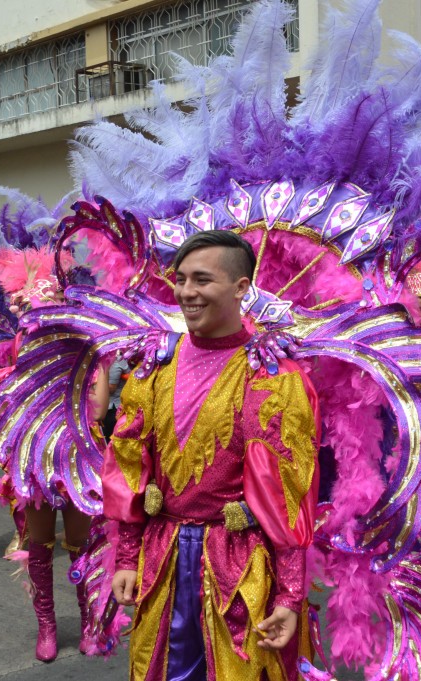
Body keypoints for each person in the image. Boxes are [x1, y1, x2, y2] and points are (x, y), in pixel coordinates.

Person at [105, 230, 320, 679]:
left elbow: (287, 496)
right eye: (181, 279)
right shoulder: (154, 367)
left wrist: (290, 596)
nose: (186, 292)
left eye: (202, 280)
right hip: (160, 562)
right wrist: (127, 557)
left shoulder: (272, 376)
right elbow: (129, 466)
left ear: (242, 288)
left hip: (237, 565)